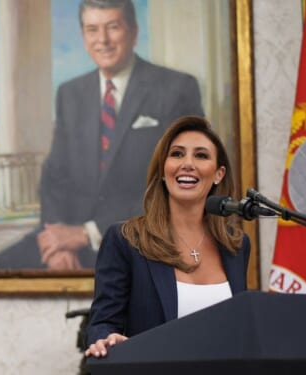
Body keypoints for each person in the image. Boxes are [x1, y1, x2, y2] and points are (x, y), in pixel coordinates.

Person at [0, 0, 204, 270]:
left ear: (133, 32)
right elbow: (54, 177)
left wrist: (88, 233)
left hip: (139, 239)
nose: (103, 40)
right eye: (92, 30)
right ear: (84, 38)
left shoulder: (176, 88)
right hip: (69, 236)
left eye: (113, 27)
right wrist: (56, 243)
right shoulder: (70, 93)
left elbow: (183, 183)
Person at [84, 115, 250, 358]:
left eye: (201, 155)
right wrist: (106, 340)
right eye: (177, 154)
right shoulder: (126, 240)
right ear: (163, 169)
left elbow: (240, 330)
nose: (188, 164)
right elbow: (102, 324)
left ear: (218, 174)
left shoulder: (236, 245)